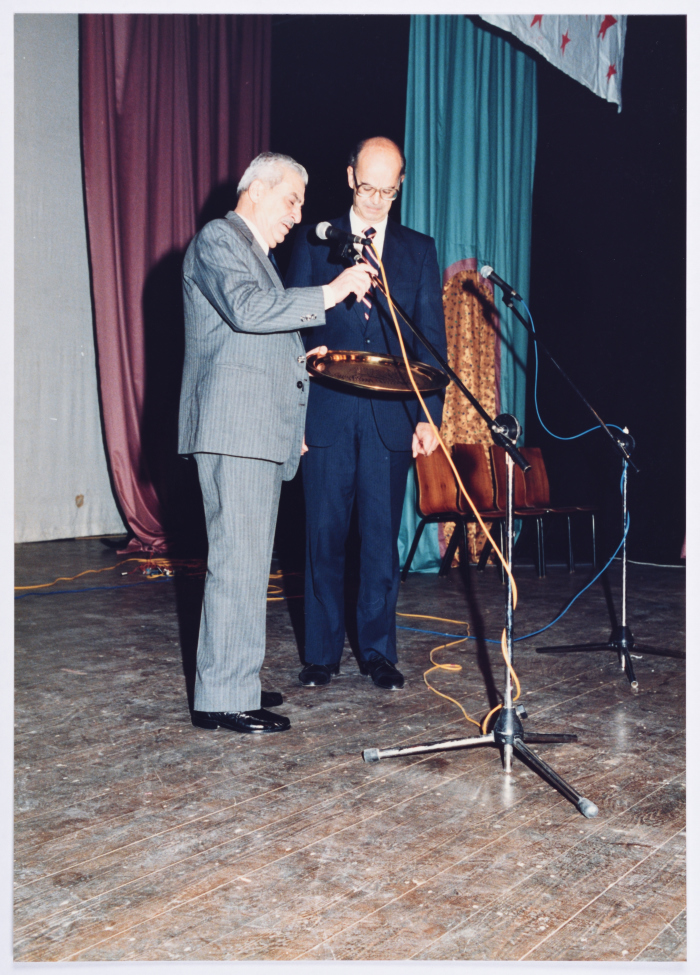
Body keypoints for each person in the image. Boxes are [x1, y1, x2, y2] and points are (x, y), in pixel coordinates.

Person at [178, 152, 374, 734]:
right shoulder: (220, 239)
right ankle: (221, 698)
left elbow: (255, 334)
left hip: (255, 430)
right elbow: (247, 311)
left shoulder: (256, 257)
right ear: (257, 191)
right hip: (234, 431)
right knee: (236, 563)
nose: (296, 215)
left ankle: (232, 677)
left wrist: (300, 359)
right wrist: (333, 291)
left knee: (245, 563)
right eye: (291, 200)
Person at [286, 136, 447, 691]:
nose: (378, 199)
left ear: (400, 184)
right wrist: (292, 417)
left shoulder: (418, 250)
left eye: (390, 189)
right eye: (368, 187)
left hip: (390, 421)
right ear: (350, 176)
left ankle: (378, 652)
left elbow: (432, 344)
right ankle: (321, 656)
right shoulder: (312, 242)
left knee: (380, 540)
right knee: (323, 537)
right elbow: (288, 332)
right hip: (324, 417)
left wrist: (429, 417)